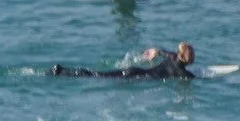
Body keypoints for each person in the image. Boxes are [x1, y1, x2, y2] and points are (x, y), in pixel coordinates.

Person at [51, 42, 196, 79]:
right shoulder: (182, 74)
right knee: (97, 77)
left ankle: (63, 70)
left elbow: (161, 51)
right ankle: (62, 72)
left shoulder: (171, 56)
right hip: (137, 77)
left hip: (134, 70)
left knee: (96, 75)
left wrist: (154, 51)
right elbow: (194, 78)